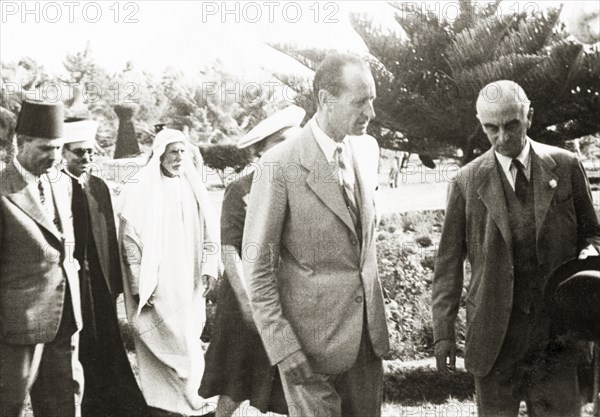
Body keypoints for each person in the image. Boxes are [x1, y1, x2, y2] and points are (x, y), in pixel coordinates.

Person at [432, 80, 600, 417]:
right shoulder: (467, 181)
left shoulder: (565, 166)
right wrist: (443, 334)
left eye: (512, 125)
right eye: (490, 128)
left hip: (556, 339)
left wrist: (589, 257)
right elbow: (448, 262)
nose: (502, 137)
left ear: (530, 116)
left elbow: (593, 233)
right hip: (495, 342)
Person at [242, 54, 390, 417]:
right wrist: (284, 348)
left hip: (366, 346)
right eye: (360, 101)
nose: (370, 111)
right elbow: (257, 270)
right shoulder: (278, 164)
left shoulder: (367, 151)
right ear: (326, 100)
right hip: (308, 353)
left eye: (372, 99)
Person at [199, 105, 305, 417]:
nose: (289, 146)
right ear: (260, 152)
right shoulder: (241, 189)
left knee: (290, 371)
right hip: (247, 294)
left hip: (288, 292)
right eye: (280, 141)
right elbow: (230, 249)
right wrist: (248, 304)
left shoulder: (300, 182)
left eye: (293, 139)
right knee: (237, 374)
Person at [119, 128, 219, 417]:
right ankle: (171, 401)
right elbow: (130, 239)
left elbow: (210, 229)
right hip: (159, 280)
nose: (178, 157)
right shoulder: (142, 188)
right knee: (167, 340)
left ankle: (187, 399)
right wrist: (139, 282)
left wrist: (210, 266)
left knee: (188, 336)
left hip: (189, 278)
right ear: (160, 154)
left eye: (182, 151)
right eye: (172, 151)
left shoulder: (192, 185)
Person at [0, 100, 84, 417]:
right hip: (17, 326)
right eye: (46, 148)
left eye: (59, 148)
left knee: (65, 403)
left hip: (65, 319)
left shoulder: (62, 184)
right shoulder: (3, 190)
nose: (54, 157)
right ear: (20, 144)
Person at [61, 118, 149, 417]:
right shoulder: (57, 187)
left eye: (89, 153)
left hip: (101, 281)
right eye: (78, 154)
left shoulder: (98, 186)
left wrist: (114, 281)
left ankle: (116, 403)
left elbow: (109, 234)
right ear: (64, 153)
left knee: (108, 340)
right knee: (83, 342)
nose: (85, 159)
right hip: (73, 281)